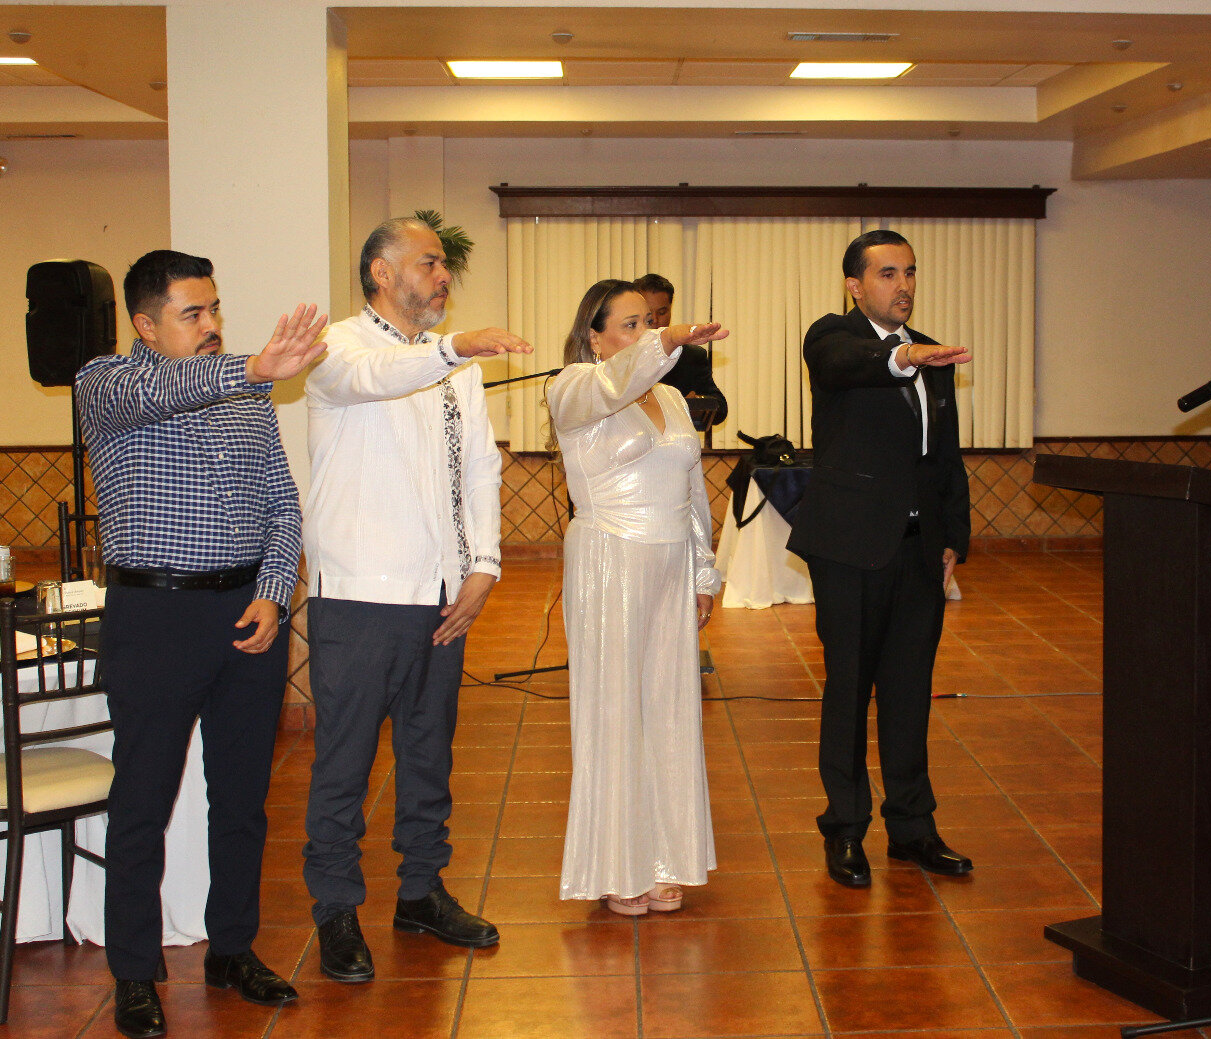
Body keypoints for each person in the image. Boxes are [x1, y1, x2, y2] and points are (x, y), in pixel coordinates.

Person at [77, 249, 326, 1038]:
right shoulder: (107, 384)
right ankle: (134, 970)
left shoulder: (248, 395)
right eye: (193, 313)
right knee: (142, 801)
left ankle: (232, 948)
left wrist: (273, 591)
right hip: (155, 619)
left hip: (248, 616)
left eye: (215, 307)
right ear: (145, 325)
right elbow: (165, 390)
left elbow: (283, 504)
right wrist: (252, 366)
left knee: (243, 799)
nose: (213, 323)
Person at [301, 217, 530, 982]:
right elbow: (375, 378)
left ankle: (421, 890)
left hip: (442, 592)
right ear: (380, 272)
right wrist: (454, 347)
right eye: (428, 262)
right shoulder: (336, 347)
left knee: (429, 755)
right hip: (360, 594)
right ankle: (336, 908)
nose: (442, 275)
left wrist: (483, 564)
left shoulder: (453, 367)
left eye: (442, 265)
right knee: (345, 762)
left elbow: (480, 468)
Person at [787, 230, 973, 888]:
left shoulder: (933, 353)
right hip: (850, 548)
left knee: (909, 691)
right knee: (849, 688)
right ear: (855, 285)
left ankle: (913, 828)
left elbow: (944, 455)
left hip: (918, 549)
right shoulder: (832, 337)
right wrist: (903, 356)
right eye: (888, 273)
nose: (904, 285)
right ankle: (844, 827)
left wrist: (953, 536)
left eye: (910, 272)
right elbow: (850, 363)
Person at [547, 279, 726, 915]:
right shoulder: (573, 387)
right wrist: (667, 340)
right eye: (630, 324)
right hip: (609, 562)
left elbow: (692, 494)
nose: (645, 334)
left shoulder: (672, 397)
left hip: (672, 564)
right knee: (615, 714)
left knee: (670, 711)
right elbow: (613, 385)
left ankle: (664, 858)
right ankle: (617, 866)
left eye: (649, 322)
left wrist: (703, 574)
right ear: (594, 338)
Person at [635, 273, 728, 427]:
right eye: (649, 313)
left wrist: (696, 402)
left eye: (662, 312)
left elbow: (720, 408)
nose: (656, 320)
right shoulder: (623, 354)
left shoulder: (691, 356)